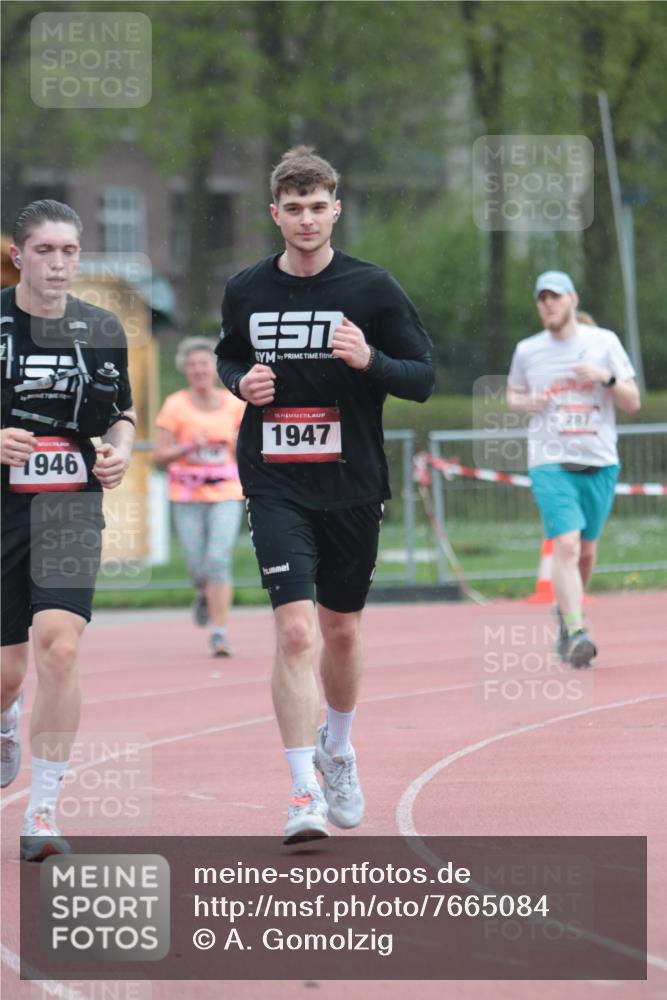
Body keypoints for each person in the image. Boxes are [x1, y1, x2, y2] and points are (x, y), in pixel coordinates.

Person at [216, 146, 434, 843]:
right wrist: (237, 382)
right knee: (294, 629)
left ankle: (336, 747)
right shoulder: (246, 289)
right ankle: (301, 791)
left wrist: (370, 359)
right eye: (293, 208)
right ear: (274, 214)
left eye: (317, 207)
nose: (306, 219)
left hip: (351, 483)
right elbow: (228, 351)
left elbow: (423, 376)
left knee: (340, 629)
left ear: (334, 209)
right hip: (274, 481)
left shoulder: (371, 289)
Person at [1, 199, 136, 860]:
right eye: (45, 251)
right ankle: (6, 715)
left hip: (68, 503)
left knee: (59, 647)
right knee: (5, 674)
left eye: (69, 251)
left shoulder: (101, 328)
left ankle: (44, 813)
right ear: (19, 255)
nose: (58, 264)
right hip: (0, 510)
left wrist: (120, 448)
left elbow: (122, 415)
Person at [506, 270, 640, 667]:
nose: (547, 304)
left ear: (572, 300)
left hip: (599, 460)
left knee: (585, 551)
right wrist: (527, 402)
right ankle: (578, 630)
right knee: (565, 544)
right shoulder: (529, 350)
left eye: (554, 296)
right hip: (551, 461)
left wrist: (606, 377)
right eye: (541, 298)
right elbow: (513, 394)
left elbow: (632, 401)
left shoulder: (604, 343)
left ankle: (567, 614)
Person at [154, 337, 245, 657]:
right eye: (192, 365)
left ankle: (219, 633)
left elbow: (249, 451)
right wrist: (188, 446)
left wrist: (230, 442)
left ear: (215, 369)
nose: (199, 370)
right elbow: (160, 455)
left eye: (204, 364)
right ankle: (204, 593)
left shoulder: (235, 405)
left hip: (226, 492)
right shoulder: (175, 405)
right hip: (187, 494)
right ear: (185, 370)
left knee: (218, 559)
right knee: (197, 565)